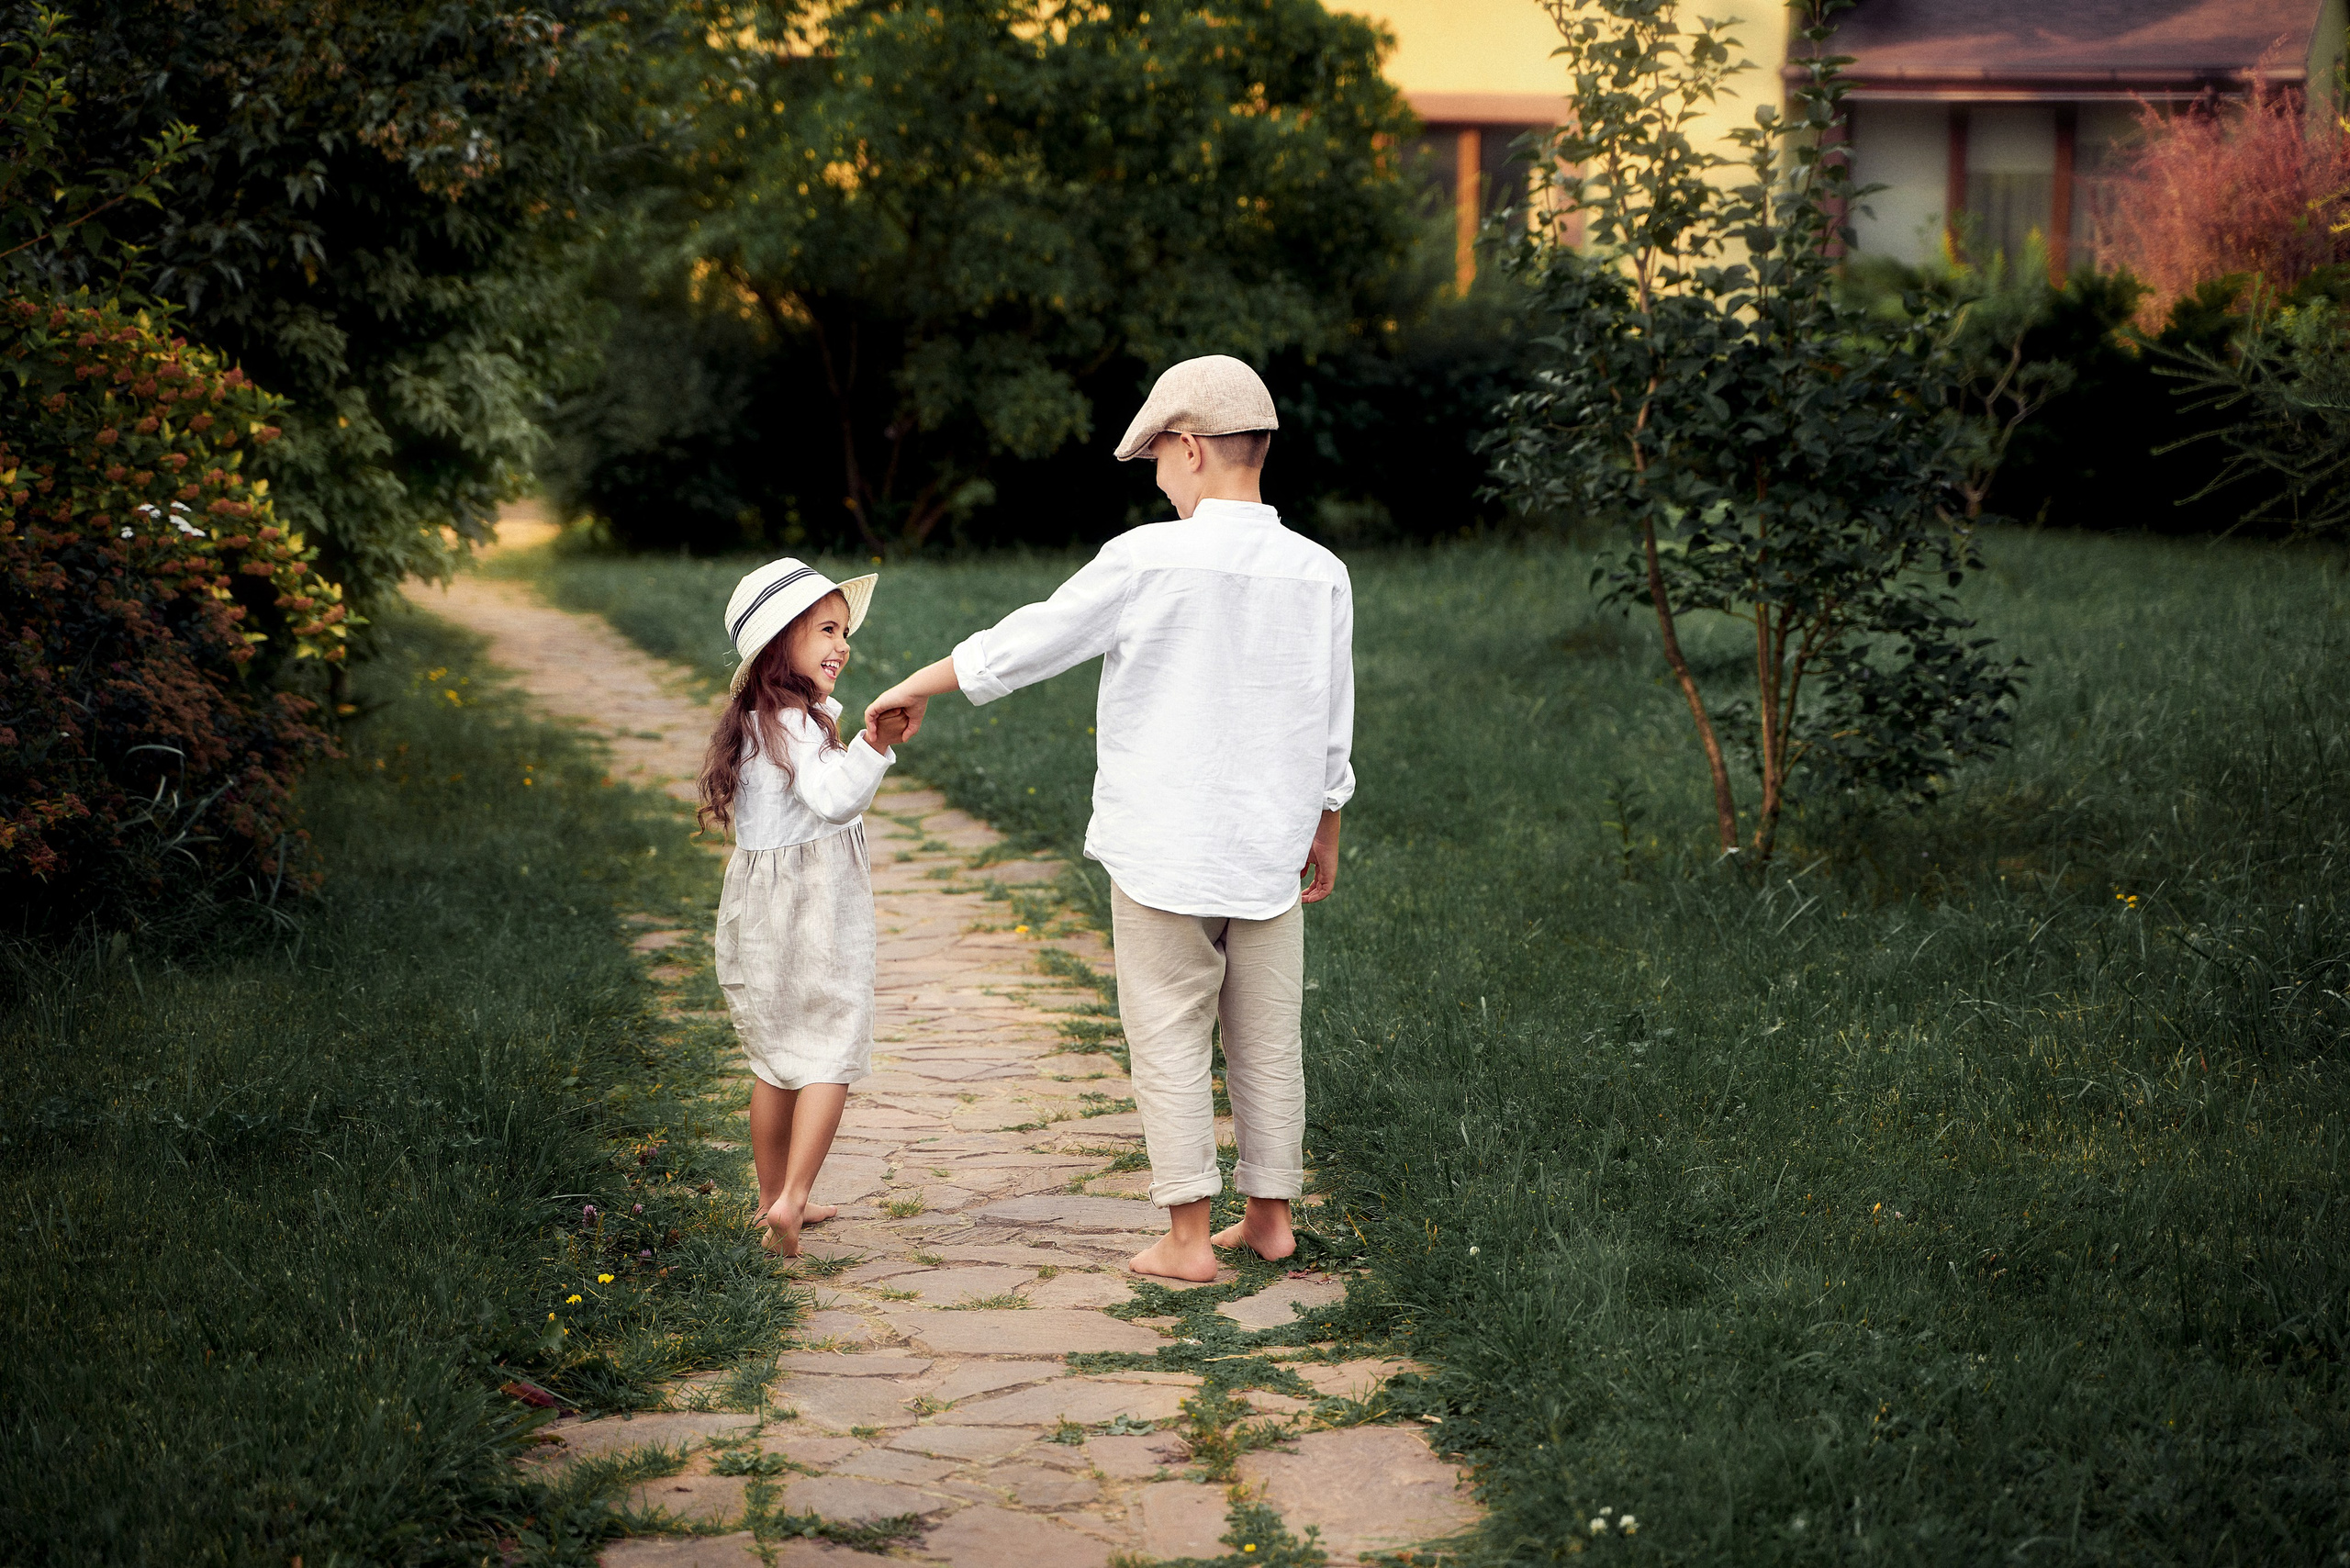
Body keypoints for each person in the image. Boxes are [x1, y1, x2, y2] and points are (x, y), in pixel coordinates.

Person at [865, 354, 1354, 1282]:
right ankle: (1270, 1219)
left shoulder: (1145, 559)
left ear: (1188, 448)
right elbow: (1331, 715)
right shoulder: (1319, 571)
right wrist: (1326, 821)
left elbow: (1027, 641)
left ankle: (1183, 1239)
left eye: (1162, 466)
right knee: (1266, 1034)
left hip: (1165, 847)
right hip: (1266, 849)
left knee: (1169, 1028)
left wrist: (913, 684)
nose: (1161, 484)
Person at [698, 559, 909, 1257]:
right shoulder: (800, 726)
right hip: (816, 909)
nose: (842, 645)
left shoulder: (758, 722)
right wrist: (874, 746)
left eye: (844, 631)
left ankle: (771, 1198)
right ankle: (791, 1200)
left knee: (775, 1057)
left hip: (761, 913)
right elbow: (834, 799)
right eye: (826, 629)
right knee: (829, 1053)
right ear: (780, 641)